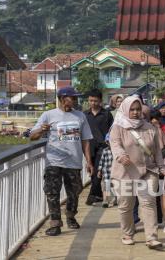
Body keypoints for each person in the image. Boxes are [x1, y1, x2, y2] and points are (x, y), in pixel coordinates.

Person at [30, 86, 95, 236]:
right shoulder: (48, 115)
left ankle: (71, 216)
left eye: (75, 98)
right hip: (54, 160)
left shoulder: (80, 116)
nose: (74, 100)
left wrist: (89, 162)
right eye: (71, 98)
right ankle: (55, 224)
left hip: (73, 161)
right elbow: (32, 136)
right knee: (52, 192)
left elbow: (85, 140)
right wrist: (42, 130)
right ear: (61, 99)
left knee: (74, 192)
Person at [110, 96, 165, 249]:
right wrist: (121, 156)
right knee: (126, 204)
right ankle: (127, 233)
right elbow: (115, 144)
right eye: (132, 109)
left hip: (147, 171)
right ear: (125, 110)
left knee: (148, 203)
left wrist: (162, 167)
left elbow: (157, 151)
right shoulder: (118, 127)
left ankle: (152, 238)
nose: (135, 112)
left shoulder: (149, 128)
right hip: (124, 172)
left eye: (138, 109)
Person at [84, 89, 114, 205]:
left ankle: (92, 196)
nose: (93, 103)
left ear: (100, 101)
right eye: (91, 101)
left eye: (95, 101)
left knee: (97, 170)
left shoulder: (106, 114)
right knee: (91, 170)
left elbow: (112, 130)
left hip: (103, 147)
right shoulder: (85, 115)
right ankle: (98, 195)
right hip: (89, 146)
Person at [98, 133, 115, 208]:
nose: (109, 143)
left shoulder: (116, 151)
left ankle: (113, 200)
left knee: (114, 187)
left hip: (114, 172)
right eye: (108, 141)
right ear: (106, 142)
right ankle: (105, 200)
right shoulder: (105, 151)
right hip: (106, 172)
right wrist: (99, 170)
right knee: (106, 187)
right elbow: (101, 161)